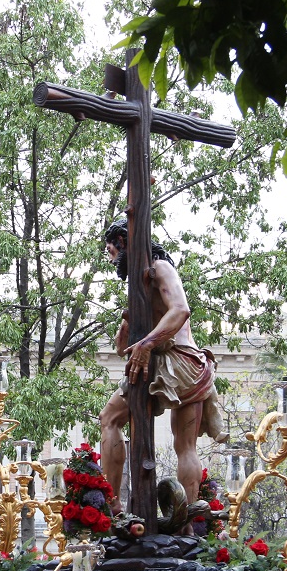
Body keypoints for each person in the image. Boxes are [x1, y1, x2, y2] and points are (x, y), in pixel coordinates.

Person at [98, 218, 227, 516]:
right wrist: (128, 323)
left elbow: (181, 310)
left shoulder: (161, 268)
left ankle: (182, 520)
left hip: (180, 362)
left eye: (111, 250)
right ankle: (116, 507)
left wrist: (145, 344)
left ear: (125, 241)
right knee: (113, 419)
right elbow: (121, 349)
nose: (111, 258)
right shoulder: (139, 285)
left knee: (182, 444)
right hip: (166, 364)